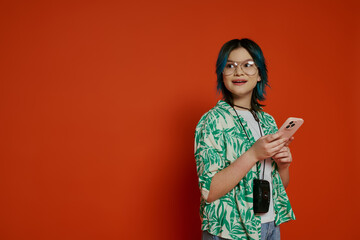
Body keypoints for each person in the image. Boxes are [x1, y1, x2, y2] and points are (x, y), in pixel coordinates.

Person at [194, 39, 295, 240]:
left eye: (247, 65)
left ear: (259, 74)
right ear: (222, 74)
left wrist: (283, 165)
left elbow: (278, 186)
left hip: (269, 225)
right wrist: (253, 154)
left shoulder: (267, 121)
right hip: (230, 229)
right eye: (230, 66)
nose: (238, 72)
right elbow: (210, 191)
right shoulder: (213, 121)